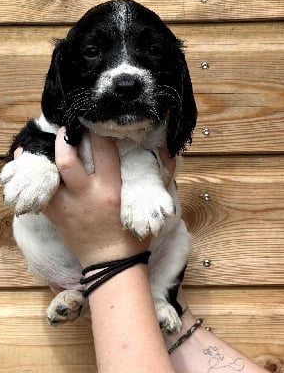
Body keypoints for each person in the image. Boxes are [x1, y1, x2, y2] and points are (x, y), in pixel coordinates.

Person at [25, 127, 268, 373]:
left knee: (178, 235)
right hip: (69, 260)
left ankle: (156, 297)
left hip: (138, 262)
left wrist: (110, 258)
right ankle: (136, 299)